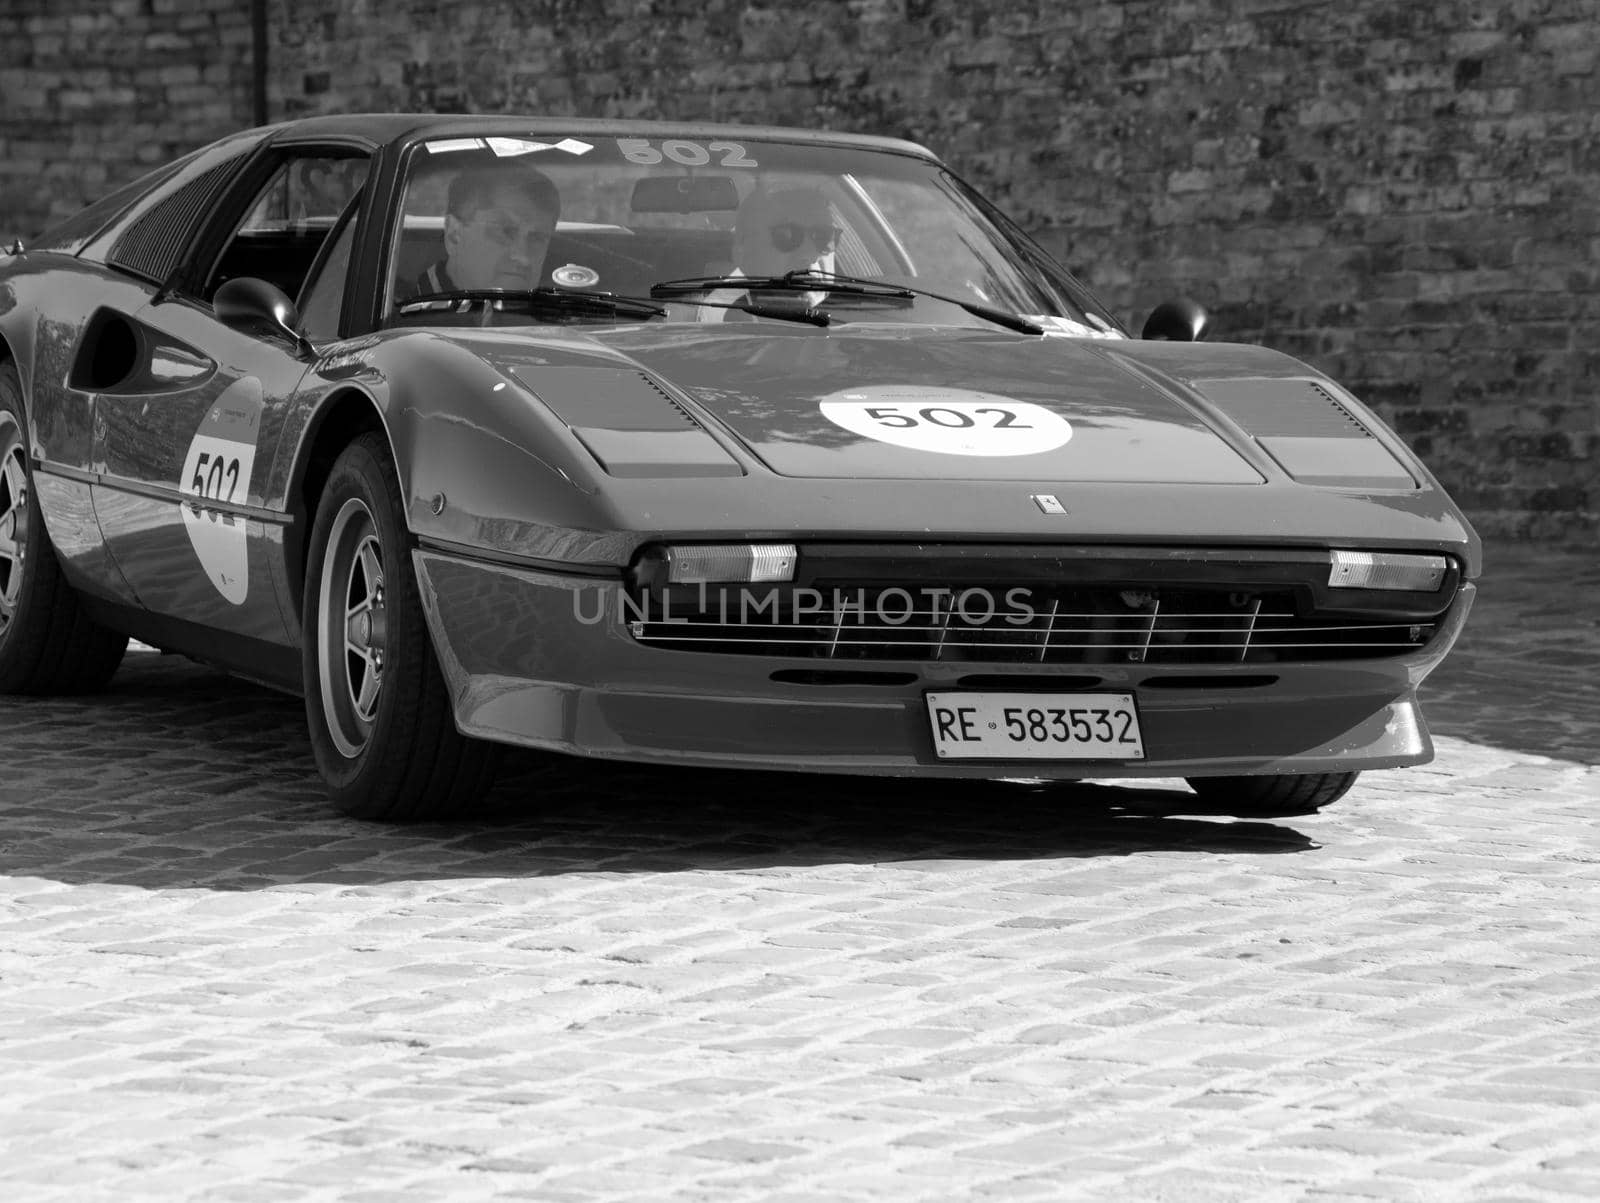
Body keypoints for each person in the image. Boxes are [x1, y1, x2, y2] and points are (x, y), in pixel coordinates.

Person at [413, 164, 561, 296]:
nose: (523, 257)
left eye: (537, 238)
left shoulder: (560, 319)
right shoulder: (400, 318)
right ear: (454, 235)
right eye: (505, 231)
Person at [699, 185, 839, 321]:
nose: (809, 254)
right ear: (742, 253)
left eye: (823, 237)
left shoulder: (856, 320)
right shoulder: (715, 318)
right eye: (786, 236)